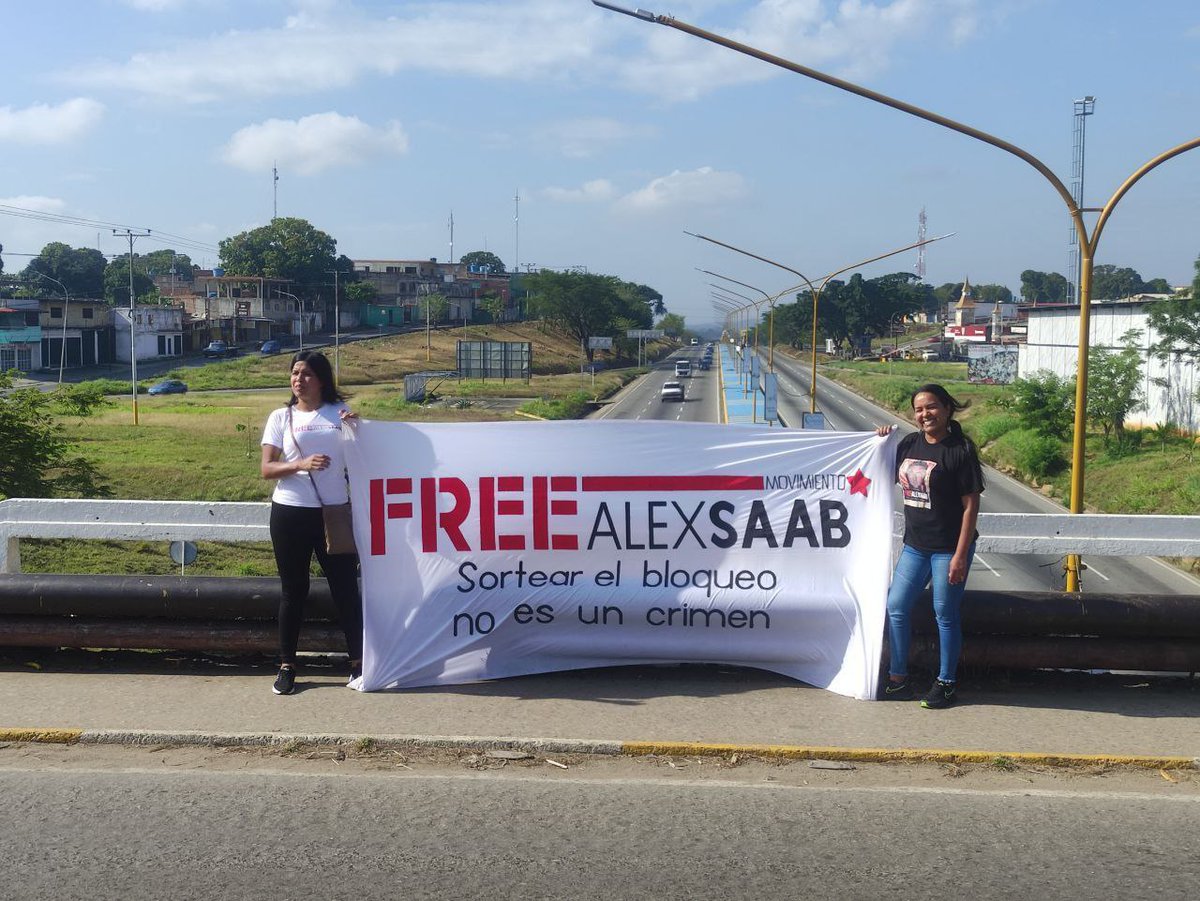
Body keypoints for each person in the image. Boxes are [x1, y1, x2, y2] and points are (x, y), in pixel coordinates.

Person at [876, 384, 984, 709]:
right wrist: (878, 441)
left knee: (944, 614)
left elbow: (971, 507)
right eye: (920, 409)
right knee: (896, 606)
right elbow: (878, 470)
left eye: (932, 407)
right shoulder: (910, 444)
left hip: (949, 549)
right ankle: (898, 680)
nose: (926, 414)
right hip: (915, 546)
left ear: (947, 408)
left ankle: (947, 683)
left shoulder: (960, 450)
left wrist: (961, 556)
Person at [260, 350, 362, 695]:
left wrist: (359, 429)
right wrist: (299, 464)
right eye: (294, 373)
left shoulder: (340, 415)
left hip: (333, 513)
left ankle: (358, 663)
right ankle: (287, 665)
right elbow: (266, 469)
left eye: (305, 374)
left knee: (345, 589)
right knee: (293, 590)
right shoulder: (280, 416)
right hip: (289, 512)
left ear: (321, 379)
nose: (298, 380)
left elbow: (366, 457)